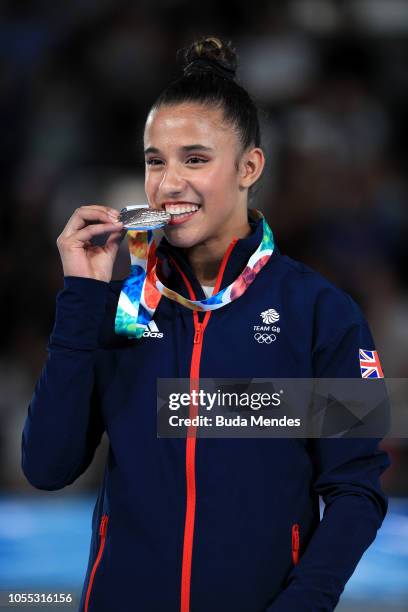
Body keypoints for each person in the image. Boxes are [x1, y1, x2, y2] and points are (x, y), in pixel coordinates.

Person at [21, 36, 390, 612]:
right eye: (155, 161)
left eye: (196, 159)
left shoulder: (321, 313)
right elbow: (47, 467)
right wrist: (81, 298)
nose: (170, 183)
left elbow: (356, 492)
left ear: (249, 167)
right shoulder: (122, 307)